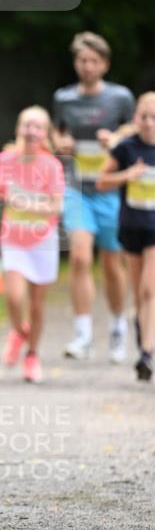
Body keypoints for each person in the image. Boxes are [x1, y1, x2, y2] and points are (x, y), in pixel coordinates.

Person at [52, 32, 135, 361]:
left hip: (110, 188)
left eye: (93, 61)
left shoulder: (120, 97)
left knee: (113, 265)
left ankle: (118, 327)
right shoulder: (64, 97)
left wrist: (114, 137)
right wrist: (61, 142)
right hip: (77, 187)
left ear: (104, 64)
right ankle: (83, 333)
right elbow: (56, 130)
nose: (87, 66)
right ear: (76, 63)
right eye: (82, 60)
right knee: (80, 257)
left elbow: (136, 130)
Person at [0, 106, 65, 383]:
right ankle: (19, 330)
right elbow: (2, 191)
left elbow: (55, 208)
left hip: (42, 241)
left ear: (45, 133)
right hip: (13, 239)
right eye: (26, 125)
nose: (31, 131)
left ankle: (32, 355)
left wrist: (24, 203)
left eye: (37, 126)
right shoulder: (5, 159)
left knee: (37, 305)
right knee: (15, 298)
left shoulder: (52, 165)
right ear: (18, 129)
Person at [97, 92, 155, 381]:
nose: (149, 122)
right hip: (132, 227)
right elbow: (102, 181)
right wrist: (128, 175)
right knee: (138, 292)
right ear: (135, 119)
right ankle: (143, 334)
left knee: (148, 290)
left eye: (154, 117)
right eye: (144, 116)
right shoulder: (126, 148)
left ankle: (146, 353)